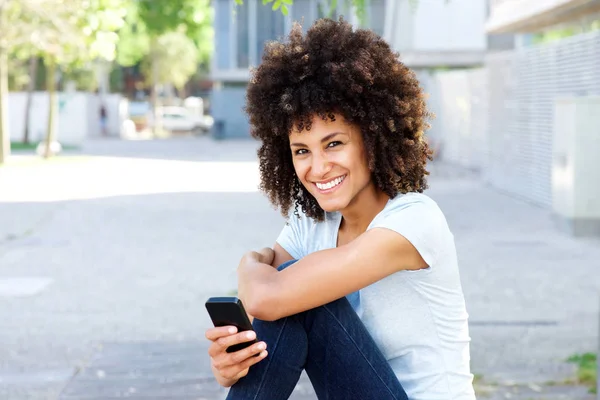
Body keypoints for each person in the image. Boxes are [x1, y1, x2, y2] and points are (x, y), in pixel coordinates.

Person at [205, 18, 475, 400]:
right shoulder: (311, 222)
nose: (317, 167)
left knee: (299, 296)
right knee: (289, 296)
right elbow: (267, 315)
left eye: (333, 144)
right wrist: (233, 362)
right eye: (302, 151)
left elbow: (266, 294)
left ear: (372, 136)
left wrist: (247, 264)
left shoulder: (415, 220)